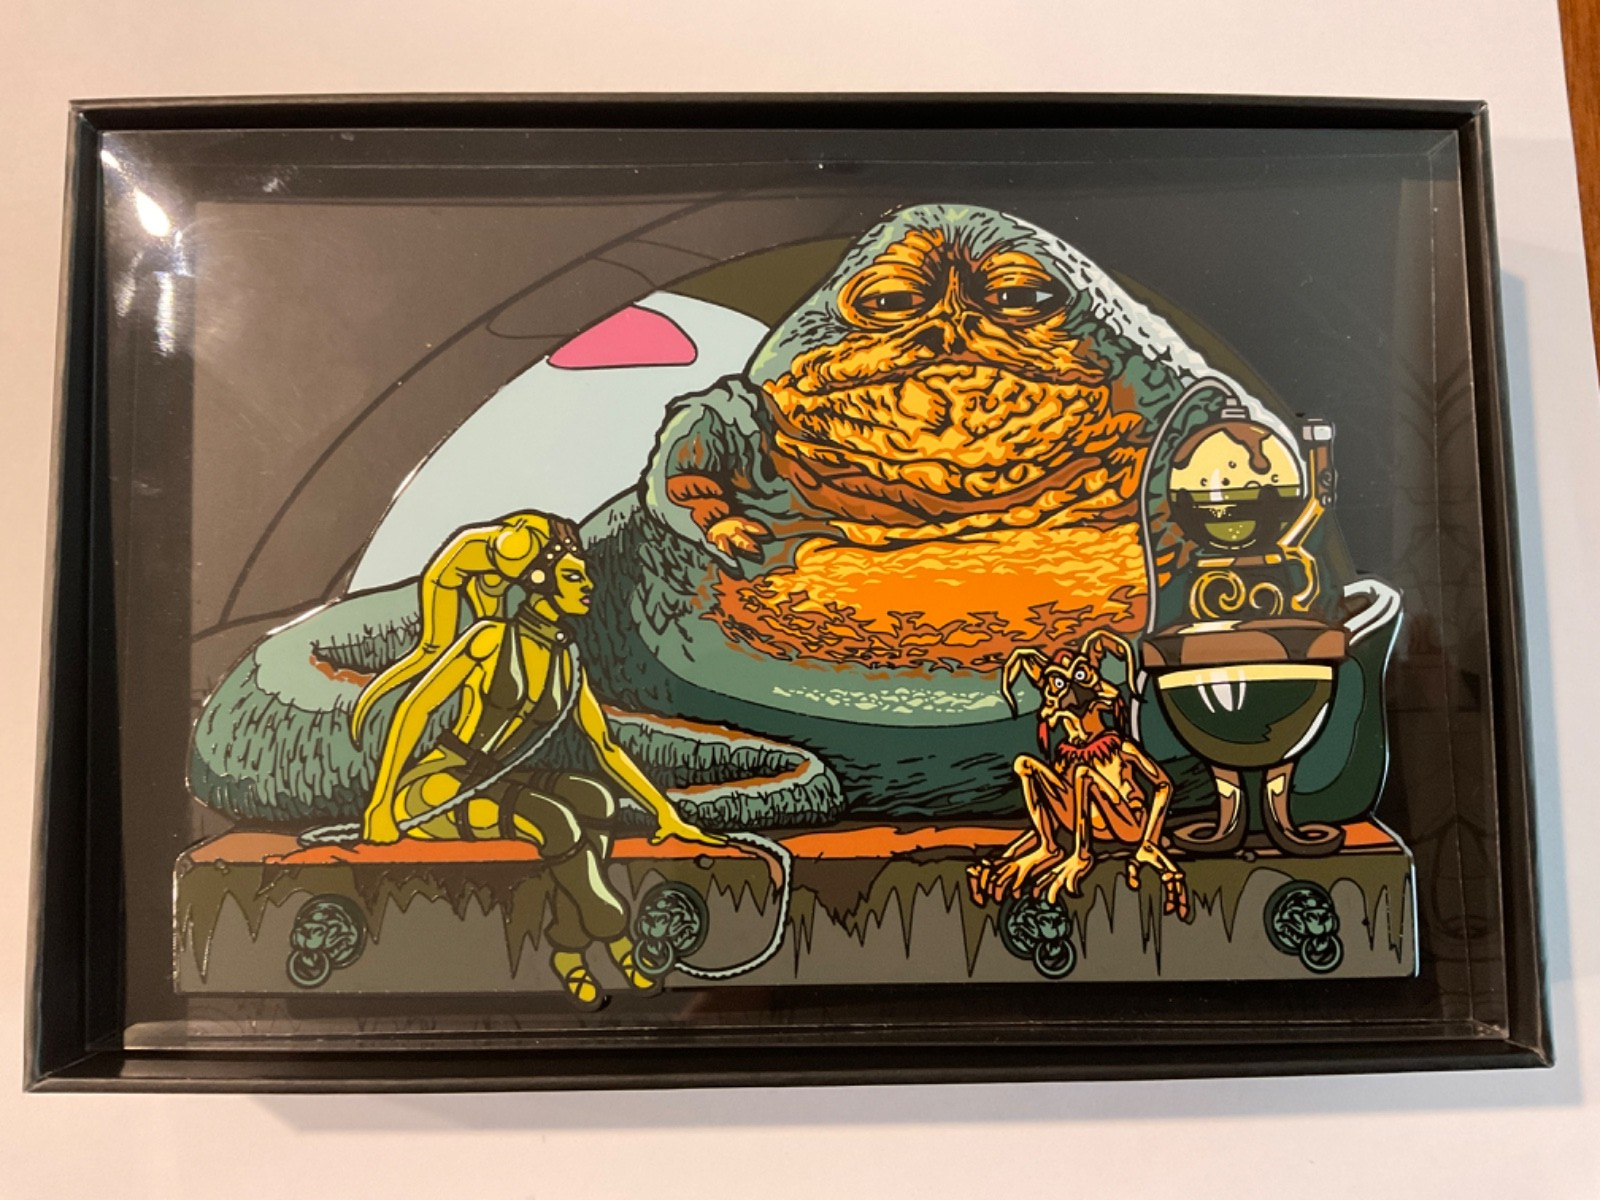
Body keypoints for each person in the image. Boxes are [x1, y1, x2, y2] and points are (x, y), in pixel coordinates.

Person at [356, 510, 721, 1010]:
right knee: (554, 820)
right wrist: (379, 805)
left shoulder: (565, 660)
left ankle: (569, 948)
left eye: (585, 576)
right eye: (572, 576)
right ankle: (614, 931)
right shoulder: (489, 639)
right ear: (538, 582)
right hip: (438, 786)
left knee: (596, 799)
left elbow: (606, 747)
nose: (587, 585)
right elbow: (414, 709)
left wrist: (665, 813)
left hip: (499, 782)